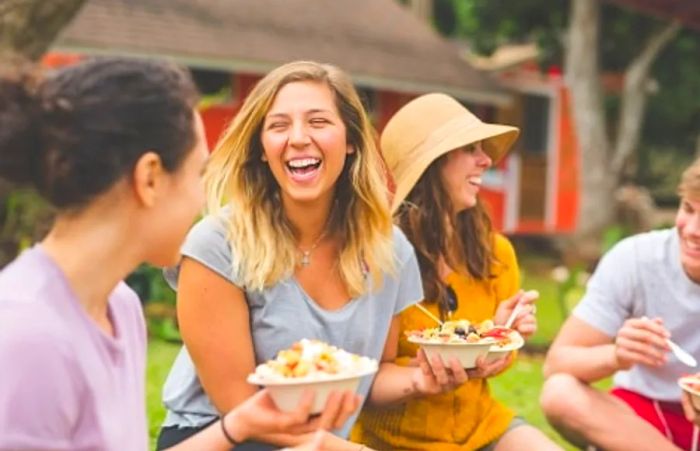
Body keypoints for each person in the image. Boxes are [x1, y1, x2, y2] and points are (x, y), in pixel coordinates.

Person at [0, 57, 354, 451]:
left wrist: (234, 427)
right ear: (150, 178)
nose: (204, 199)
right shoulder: (28, 335)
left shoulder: (119, 308)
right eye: (198, 174)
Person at [156, 60, 444, 451]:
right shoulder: (216, 245)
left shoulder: (388, 250)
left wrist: (422, 378)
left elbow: (373, 375)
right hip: (226, 438)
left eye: (318, 122)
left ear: (351, 140)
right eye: (278, 126)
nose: (298, 138)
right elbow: (242, 410)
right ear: (262, 148)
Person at [352, 93, 562, 450]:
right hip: (395, 440)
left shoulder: (497, 253)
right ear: (431, 164)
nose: (487, 160)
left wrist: (500, 339)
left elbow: (499, 359)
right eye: (470, 149)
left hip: (480, 429)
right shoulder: (381, 258)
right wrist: (422, 379)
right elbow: (366, 383)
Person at [540, 157, 700, 450]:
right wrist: (617, 355)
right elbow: (557, 363)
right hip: (641, 423)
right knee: (559, 393)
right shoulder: (636, 259)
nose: (692, 230)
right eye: (688, 209)